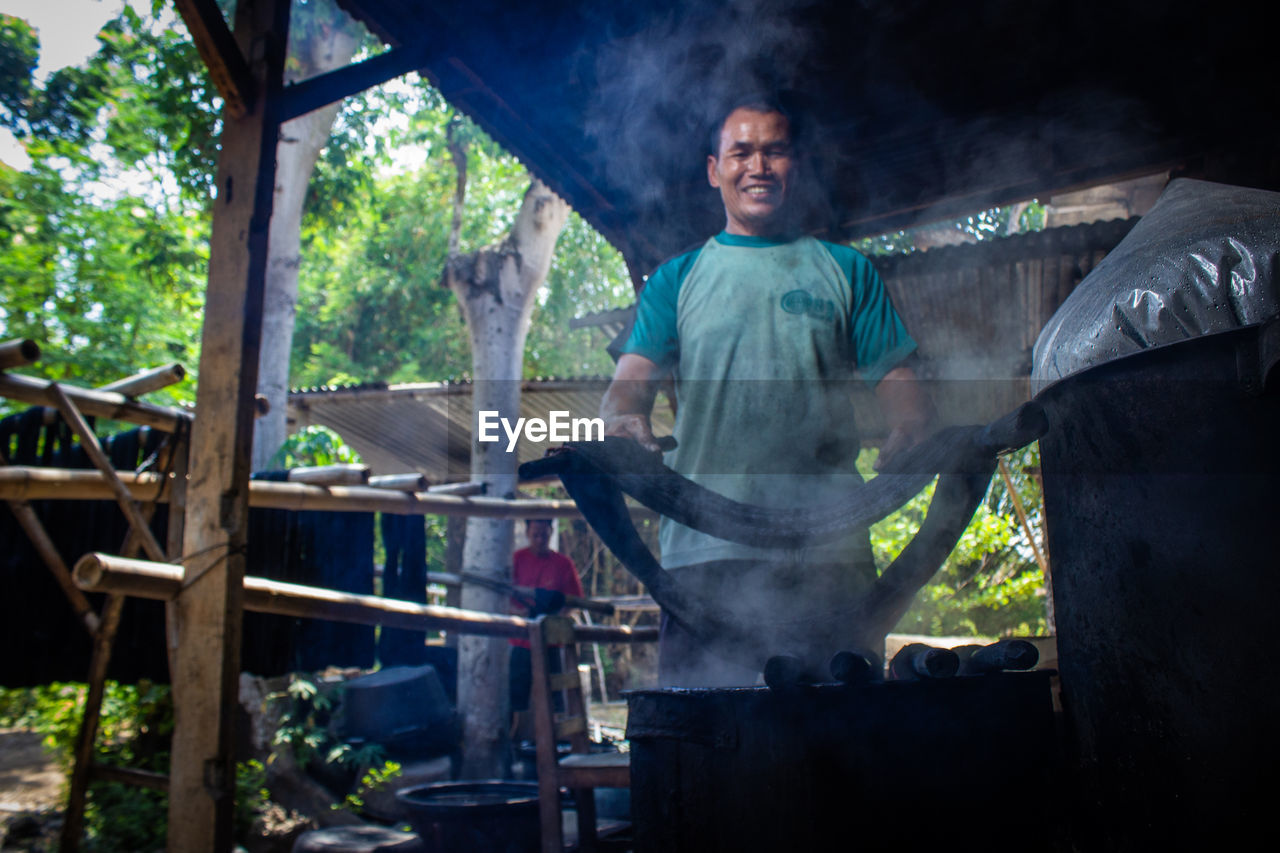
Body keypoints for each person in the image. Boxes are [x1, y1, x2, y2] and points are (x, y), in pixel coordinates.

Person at [600, 97, 934, 686]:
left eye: (774, 151)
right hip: (704, 554)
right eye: (742, 152)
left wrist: (911, 427)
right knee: (705, 742)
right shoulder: (676, 280)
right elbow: (627, 388)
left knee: (844, 741)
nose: (759, 166)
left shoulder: (846, 270)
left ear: (795, 166)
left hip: (830, 548)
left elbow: (899, 384)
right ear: (714, 170)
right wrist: (623, 420)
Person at [508, 518, 584, 719]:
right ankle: (517, 740)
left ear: (551, 533)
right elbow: (505, 598)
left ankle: (557, 741)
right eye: (535, 535)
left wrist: (557, 619)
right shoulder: (516, 559)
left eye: (545, 535)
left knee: (555, 695)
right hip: (521, 640)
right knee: (516, 694)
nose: (540, 539)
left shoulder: (563, 564)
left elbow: (573, 600)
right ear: (527, 534)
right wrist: (519, 614)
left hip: (551, 641)